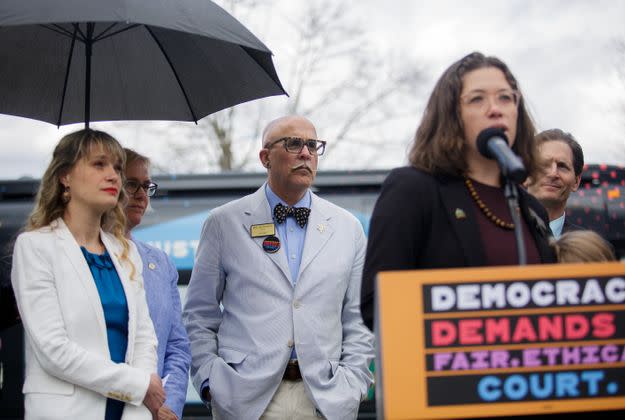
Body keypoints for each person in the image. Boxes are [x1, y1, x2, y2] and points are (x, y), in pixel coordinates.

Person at [183, 115, 374, 420]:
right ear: (265, 157)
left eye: (313, 145)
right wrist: (210, 382)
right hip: (246, 401)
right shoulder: (224, 223)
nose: (306, 153)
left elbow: (358, 318)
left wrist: (354, 383)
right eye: (294, 143)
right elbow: (198, 314)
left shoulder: (347, 227)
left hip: (326, 400)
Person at [361, 52, 557, 330]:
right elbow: (377, 305)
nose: (495, 109)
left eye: (505, 97)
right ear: (452, 115)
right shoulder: (413, 190)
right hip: (447, 369)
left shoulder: (531, 208)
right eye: (477, 98)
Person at [11, 129, 164, 419]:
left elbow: (145, 337)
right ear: (64, 176)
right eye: (99, 164)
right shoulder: (35, 247)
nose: (113, 176)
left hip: (129, 413)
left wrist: (141, 394)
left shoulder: (125, 252)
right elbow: (53, 351)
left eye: (117, 167)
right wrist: (138, 384)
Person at [124, 149, 192, 420]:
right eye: (132, 184)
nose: (141, 195)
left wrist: (169, 405)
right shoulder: (86, 255)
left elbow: (177, 346)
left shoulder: (161, 263)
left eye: (146, 186)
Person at [525, 128, 584, 238]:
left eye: (562, 166)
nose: (553, 173)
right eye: (543, 164)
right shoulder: (497, 237)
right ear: (526, 173)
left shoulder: (593, 252)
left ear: (576, 181)